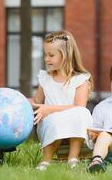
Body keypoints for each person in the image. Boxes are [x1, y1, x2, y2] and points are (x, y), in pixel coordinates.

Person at [29, 30, 94, 170]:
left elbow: (79, 106)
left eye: (51, 55)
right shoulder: (45, 78)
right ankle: (45, 160)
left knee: (83, 113)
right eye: (45, 54)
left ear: (66, 56)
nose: (46, 59)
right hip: (49, 123)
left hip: (73, 122)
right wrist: (18, 100)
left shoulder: (81, 79)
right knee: (54, 119)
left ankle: (73, 157)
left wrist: (49, 109)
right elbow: (36, 100)